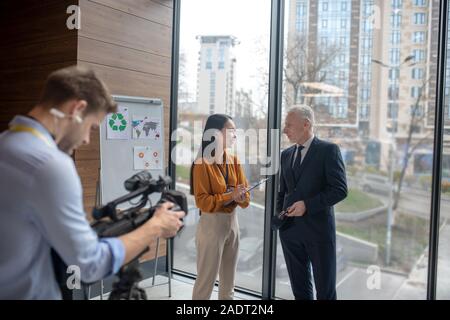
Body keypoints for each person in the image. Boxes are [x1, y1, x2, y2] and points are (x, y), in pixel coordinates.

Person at [0, 66, 185, 299]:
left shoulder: (6, 144)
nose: (87, 139)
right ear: (77, 109)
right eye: (91, 127)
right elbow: (90, 265)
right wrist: (156, 226)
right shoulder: (50, 164)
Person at [276, 105, 347, 300]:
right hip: (290, 232)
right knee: (300, 290)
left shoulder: (329, 150)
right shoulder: (286, 155)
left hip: (319, 233)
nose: (284, 129)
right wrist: (279, 217)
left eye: (289, 125)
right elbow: (282, 191)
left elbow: (340, 190)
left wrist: (307, 205)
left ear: (306, 124)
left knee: (325, 292)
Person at [190, 114, 250, 300]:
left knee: (228, 283)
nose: (235, 135)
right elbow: (202, 202)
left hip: (233, 224)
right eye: (230, 130)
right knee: (205, 282)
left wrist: (238, 196)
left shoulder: (234, 160)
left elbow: (246, 199)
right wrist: (230, 195)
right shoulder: (202, 163)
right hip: (211, 225)